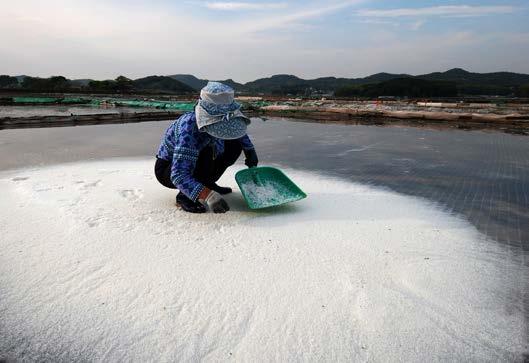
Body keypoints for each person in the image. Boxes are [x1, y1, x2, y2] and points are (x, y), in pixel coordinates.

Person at [155, 82, 258, 214]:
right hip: (168, 169)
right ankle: (184, 196)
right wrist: (208, 196)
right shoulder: (189, 127)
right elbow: (178, 174)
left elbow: (240, 134)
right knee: (205, 152)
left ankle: (207, 183)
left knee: (235, 145)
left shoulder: (229, 115)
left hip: (207, 157)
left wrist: (250, 151)